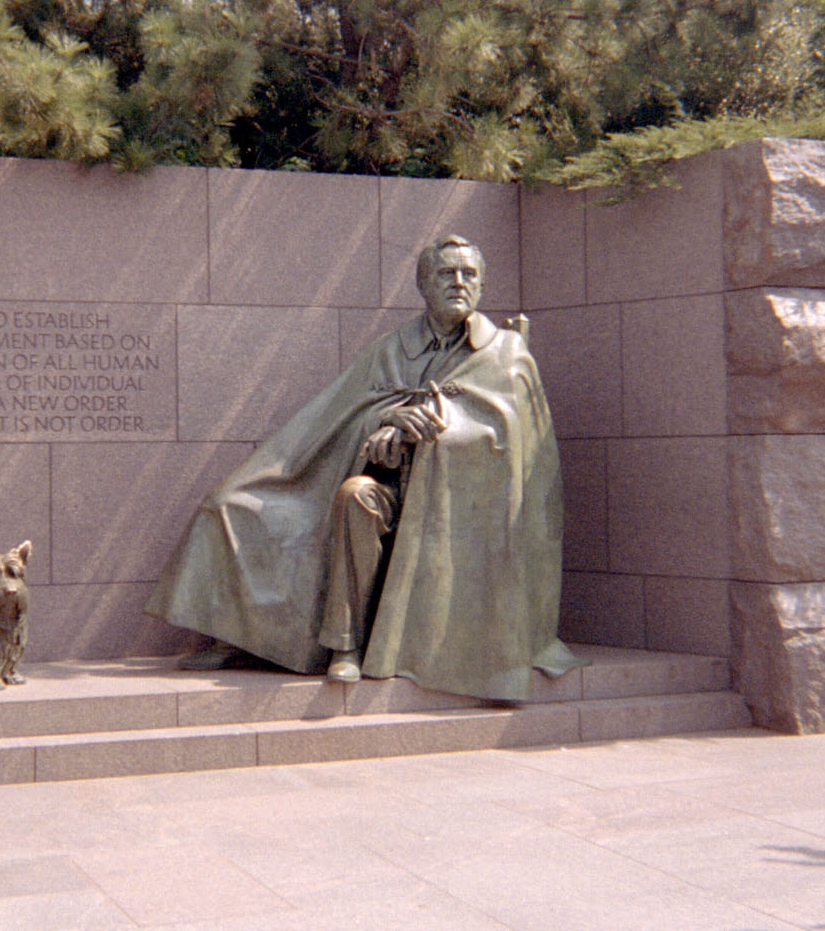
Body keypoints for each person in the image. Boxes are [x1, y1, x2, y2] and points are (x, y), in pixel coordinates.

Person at [145, 234, 580, 702]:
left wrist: (432, 429)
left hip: (455, 508)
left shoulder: (505, 351)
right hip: (384, 487)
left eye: (469, 274)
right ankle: (266, 637)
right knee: (235, 504)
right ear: (422, 285)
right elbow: (341, 413)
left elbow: (518, 443)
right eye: (446, 273)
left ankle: (346, 648)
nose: (459, 283)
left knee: (355, 495)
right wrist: (381, 420)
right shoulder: (391, 350)